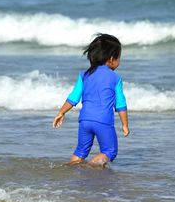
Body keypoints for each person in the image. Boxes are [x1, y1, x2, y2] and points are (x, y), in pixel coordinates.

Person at [52, 34, 130, 168]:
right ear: (111, 59)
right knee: (110, 151)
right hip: (103, 121)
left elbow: (73, 97)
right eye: (119, 57)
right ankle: (91, 166)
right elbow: (121, 104)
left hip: (84, 121)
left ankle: (69, 168)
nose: (119, 61)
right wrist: (125, 125)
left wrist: (61, 112)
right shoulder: (115, 78)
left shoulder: (84, 75)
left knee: (81, 151)